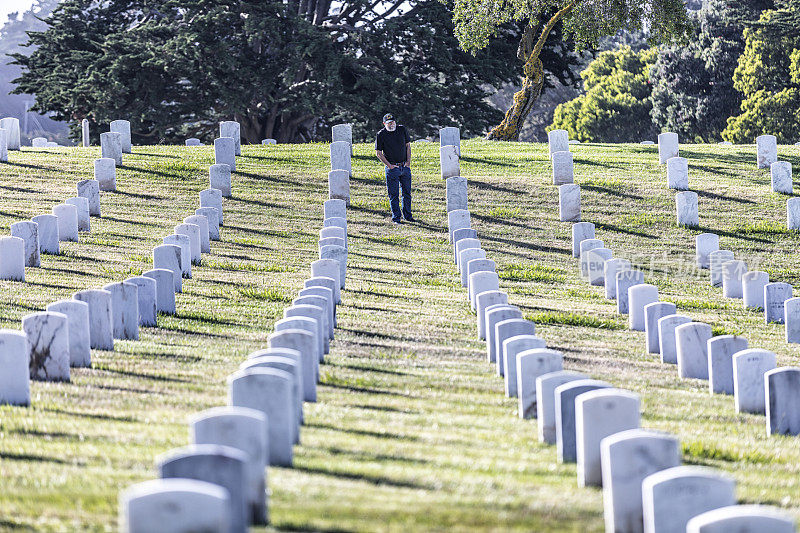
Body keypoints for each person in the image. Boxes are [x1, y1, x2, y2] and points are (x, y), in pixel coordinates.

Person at [375, 113, 414, 224]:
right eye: (388, 123)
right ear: (384, 124)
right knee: (394, 195)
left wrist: (408, 163)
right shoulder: (381, 134)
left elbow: (408, 146)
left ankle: (408, 216)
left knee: (407, 193)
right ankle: (396, 218)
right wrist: (389, 166)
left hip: (404, 167)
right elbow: (378, 153)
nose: (391, 124)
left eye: (392, 122)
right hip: (392, 168)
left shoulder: (402, 129)